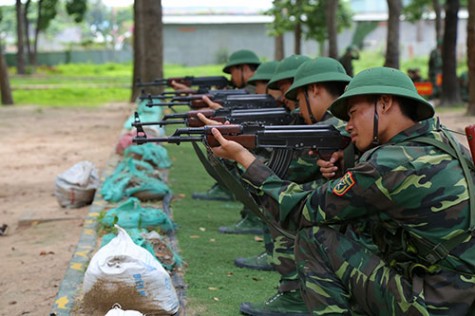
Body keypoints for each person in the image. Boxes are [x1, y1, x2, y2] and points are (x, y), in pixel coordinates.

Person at [209, 67, 475, 314]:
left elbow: (300, 210)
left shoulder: (388, 163)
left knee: (316, 238)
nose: (347, 126)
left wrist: (244, 159)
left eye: (353, 113)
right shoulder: (443, 142)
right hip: (460, 293)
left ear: (384, 103)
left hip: (435, 304)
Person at [239, 57, 352, 316]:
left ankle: (294, 294)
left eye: (298, 98)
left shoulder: (333, 126)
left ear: (314, 90)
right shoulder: (333, 125)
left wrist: (243, 156)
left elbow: (290, 171)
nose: (295, 106)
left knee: (284, 198)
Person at [191, 49, 261, 201]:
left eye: (233, 72)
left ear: (244, 68)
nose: (231, 77)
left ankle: (230, 189)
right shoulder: (245, 91)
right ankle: (228, 187)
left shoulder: (252, 92)